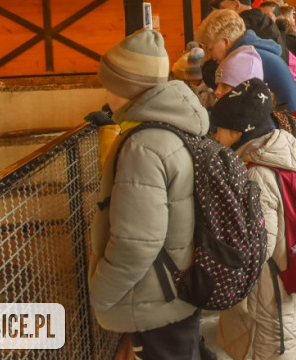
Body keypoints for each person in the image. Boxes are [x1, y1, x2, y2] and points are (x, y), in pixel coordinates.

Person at [89, 29, 209, 359]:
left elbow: (136, 242)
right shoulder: (174, 127)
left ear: (128, 88)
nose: (105, 93)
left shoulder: (142, 147)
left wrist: (100, 292)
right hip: (177, 284)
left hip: (155, 299)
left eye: (110, 84)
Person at [213, 79, 296, 360]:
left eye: (218, 130)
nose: (215, 137)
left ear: (238, 131)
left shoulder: (258, 174)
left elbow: (259, 249)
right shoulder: (280, 151)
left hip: (269, 295)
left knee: (273, 351)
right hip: (283, 284)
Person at [195, 9, 296, 112]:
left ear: (225, 41)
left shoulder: (249, 60)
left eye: (210, 49)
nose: (208, 56)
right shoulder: (254, 53)